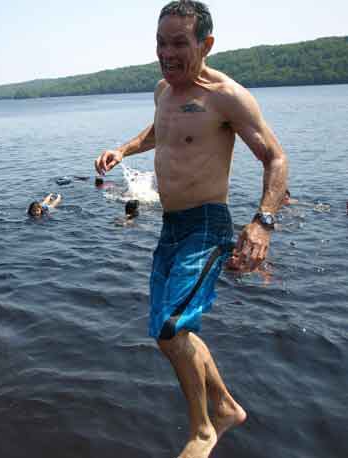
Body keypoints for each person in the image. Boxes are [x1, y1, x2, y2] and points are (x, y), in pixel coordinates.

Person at [94, 2, 288, 457]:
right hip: (171, 226)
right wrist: (123, 149)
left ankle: (202, 428)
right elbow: (161, 131)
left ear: (206, 44)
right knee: (166, 334)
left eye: (179, 42)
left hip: (206, 223)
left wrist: (263, 223)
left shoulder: (227, 97)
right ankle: (224, 406)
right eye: (161, 42)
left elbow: (276, 158)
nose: (167, 52)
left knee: (171, 329)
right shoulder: (164, 90)